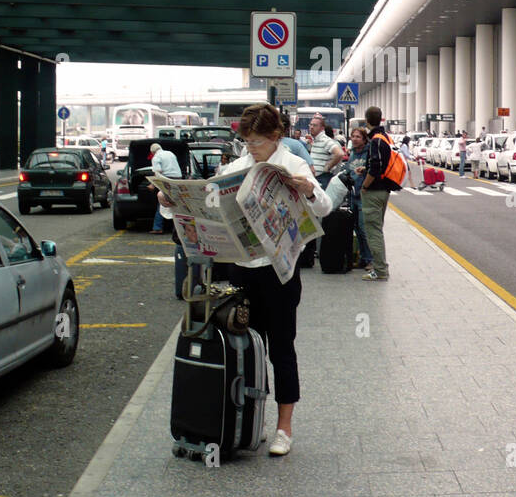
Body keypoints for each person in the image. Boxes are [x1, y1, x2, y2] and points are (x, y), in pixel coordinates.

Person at [155, 103, 332, 457]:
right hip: (239, 269)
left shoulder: (293, 164)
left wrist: (307, 190)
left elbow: (324, 207)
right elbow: (206, 206)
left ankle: (285, 428)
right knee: (247, 344)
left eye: (256, 143)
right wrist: (170, 202)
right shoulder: (236, 167)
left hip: (278, 272)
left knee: (281, 347)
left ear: (275, 137)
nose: (250, 149)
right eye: (246, 142)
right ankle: (253, 419)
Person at [361, 105, 403, 282]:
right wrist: (366, 168)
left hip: (374, 191)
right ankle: (381, 268)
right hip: (384, 189)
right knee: (376, 229)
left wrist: (364, 185)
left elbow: (376, 167)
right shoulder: (386, 137)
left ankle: (380, 270)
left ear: (367, 120)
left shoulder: (376, 140)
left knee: (373, 231)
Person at [347, 127, 374, 275]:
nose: (355, 139)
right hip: (353, 195)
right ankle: (364, 257)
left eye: (358, 136)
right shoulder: (352, 153)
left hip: (364, 195)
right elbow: (349, 170)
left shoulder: (368, 153)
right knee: (357, 228)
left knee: (364, 229)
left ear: (364, 139)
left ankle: (371, 259)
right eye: (353, 136)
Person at [149, 142, 182, 233]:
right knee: (176, 202)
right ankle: (177, 226)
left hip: (167, 180)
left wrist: (152, 184)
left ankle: (158, 227)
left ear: (152, 152)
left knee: (163, 202)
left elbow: (158, 171)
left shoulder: (156, 157)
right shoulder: (170, 153)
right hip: (178, 179)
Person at [306, 114, 344, 189]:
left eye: (315, 125)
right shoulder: (316, 140)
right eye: (310, 125)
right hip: (316, 178)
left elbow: (339, 154)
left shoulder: (325, 140)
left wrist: (328, 167)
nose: (311, 127)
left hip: (322, 178)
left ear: (322, 128)